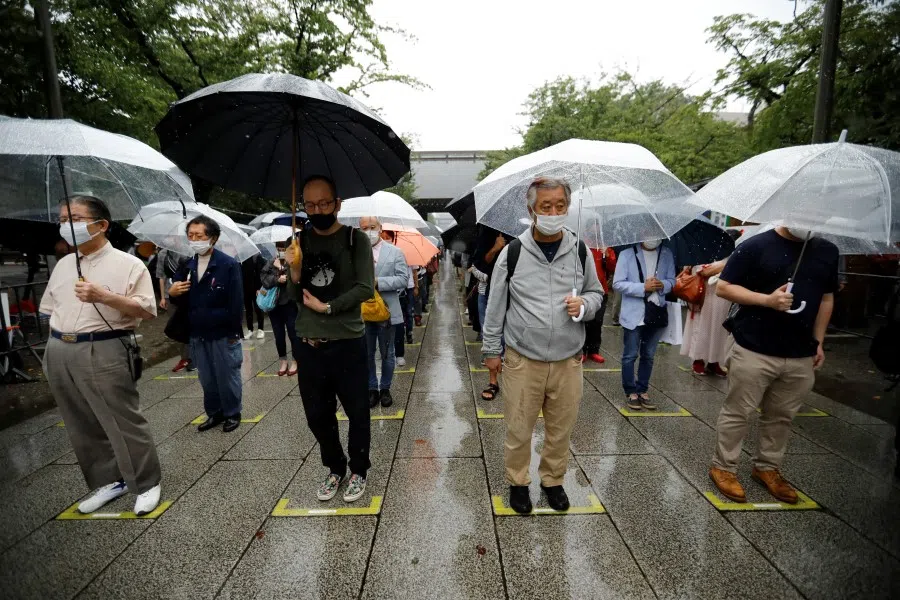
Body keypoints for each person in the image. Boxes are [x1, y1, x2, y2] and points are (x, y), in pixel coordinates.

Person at [482, 177, 604, 514]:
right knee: (519, 428)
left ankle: (552, 480)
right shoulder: (513, 252)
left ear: (568, 207)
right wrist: (492, 351)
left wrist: (585, 306)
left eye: (560, 206)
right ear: (532, 209)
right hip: (523, 359)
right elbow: (496, 306)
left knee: (561, 429)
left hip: (568, 360)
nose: (553, 212)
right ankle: (518, 481)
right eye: (545, 206)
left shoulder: (579, 249)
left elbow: (596, 292)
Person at [40, 195, 162, 515]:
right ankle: (109, 480)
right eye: (63, 219)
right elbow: (50, 308)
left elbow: (147, 310)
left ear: (101, 225)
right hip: (59, 348)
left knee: (121, 419)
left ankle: (147, 482)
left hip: (103, 346)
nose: (67, 226)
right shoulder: (65, 264)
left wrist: (103, 296)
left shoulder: (129, 263)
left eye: (76, 218)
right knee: (80, 420)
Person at [709, 226, 838, 505]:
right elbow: (723, 287)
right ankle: (724, 466)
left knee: (781, 416)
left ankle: (767, 467)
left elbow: (826, 298)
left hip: (800, 352)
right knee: (738, 411)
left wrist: (818, 340)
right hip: (754, 346)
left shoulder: (827, 251)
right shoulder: (755, 245)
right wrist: (767, 300)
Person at [285, 175, 374, 504]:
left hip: (347, 343)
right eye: (310, 204)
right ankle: (335, 467)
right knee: (317, 415)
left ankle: (359, 469)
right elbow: (294, 294)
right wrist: (293, 270)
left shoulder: (356, 239)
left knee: (357, 412)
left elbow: (365, 287)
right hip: (309, 344)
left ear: (337, 204)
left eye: (324, 203)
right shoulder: (299, 241)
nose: (317, 209)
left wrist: (329, 306)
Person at [169, 215, 244, 433]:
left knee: (227, 374)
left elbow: (236, 302)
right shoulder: (187, 265)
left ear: (213, 238)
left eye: (199, 235)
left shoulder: (227, 264)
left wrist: (233, 333)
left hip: (222, 332)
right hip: (197, 332)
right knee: (207, 378)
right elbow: (180, 296)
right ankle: (215, 413)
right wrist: (172, 293)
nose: (194, 239)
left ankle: (232, 413)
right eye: (190, 235)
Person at [613, 239, 677, 411]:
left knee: (648, 355)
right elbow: (618, 283)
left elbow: (673, 280)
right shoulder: (626, 254)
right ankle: (630, 391)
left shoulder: (667, 253)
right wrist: (643, 287)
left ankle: (643, 389)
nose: (652, 238)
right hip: (634, 313)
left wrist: (663, 284)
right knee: (630, 355)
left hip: (656, 311)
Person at [358, 217, 408, 408]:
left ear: (380, 228)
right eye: (364, 228)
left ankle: (385, 388)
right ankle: (372, 388)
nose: (368, 231)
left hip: (386, 310)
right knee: (367, 353)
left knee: (387, 353)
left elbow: (403, 279)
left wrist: (379, 281)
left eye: (372, 227)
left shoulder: (395, 252)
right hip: (363, 310)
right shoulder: (355, 252)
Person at [681, 259, 732, 376]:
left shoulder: (729, 247)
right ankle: (697, 359)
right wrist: (720, 267)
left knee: (718, 327)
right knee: (701, 326)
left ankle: (714, 360)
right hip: (701, 290)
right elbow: (702, 271)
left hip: (721, 292)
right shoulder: (698, 246)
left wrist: (723, 266)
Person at [260, 241, 299, 376]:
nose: (281, 251)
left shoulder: (294, 262)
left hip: (290, 304)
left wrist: (283, 268)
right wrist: (277, 277)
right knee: (278, 335)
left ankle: (295, 360)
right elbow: (264, 280)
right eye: (279, 248)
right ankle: (283, 360)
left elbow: (295, 279)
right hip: (274, 305)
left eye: (284, 248)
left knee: (293, 333)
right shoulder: (270, 262)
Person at [156, 247, 194, 372]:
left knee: (189, 326)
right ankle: (185, 357)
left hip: (187, 294)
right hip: (170, 294)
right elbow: (161, 276)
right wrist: (163, 297)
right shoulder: (163, 254)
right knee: (177, 327)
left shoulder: (189, 251)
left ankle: (190, 358)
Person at [583, 245, 616, 363]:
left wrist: (608, 256)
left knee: (597, 321)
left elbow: (613, 268)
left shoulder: (604, 246)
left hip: (601, 290)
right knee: (583, 321)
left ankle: (593, 350)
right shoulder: (581, 245)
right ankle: (581, 350)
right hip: (583, 290)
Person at [242, 254, 266, 340]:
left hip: (256, 288)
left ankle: (261, 329)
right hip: (245, 288)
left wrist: (259, 288)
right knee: (248, 309)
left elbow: (261, 273)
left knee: (258, 308)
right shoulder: (241, 258)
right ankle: (250, 330)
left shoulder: (257, 257)